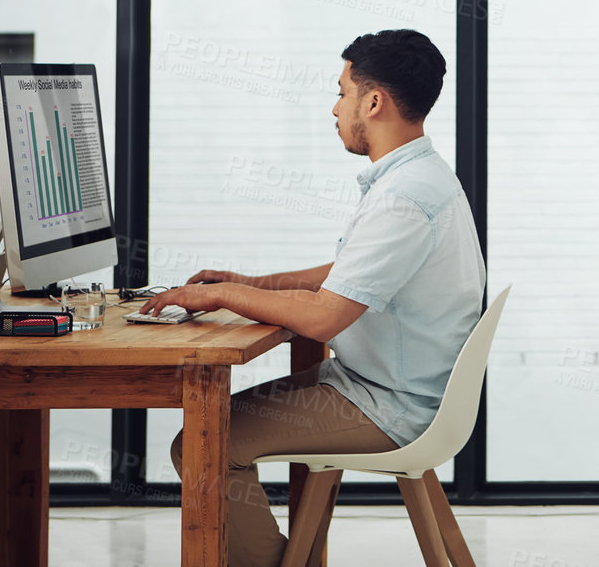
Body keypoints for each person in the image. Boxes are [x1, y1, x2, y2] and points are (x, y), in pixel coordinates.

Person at [146, 28, 485, 567]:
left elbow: (325, 318)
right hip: (391, 389)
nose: (335, 108)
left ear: (373, 102)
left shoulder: (404, 197)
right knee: (212, 430)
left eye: (342, 91)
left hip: (389, 406)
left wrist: (223, 296)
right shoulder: (423, 177)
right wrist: (252, 285)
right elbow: (349, 274)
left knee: (202, 445)